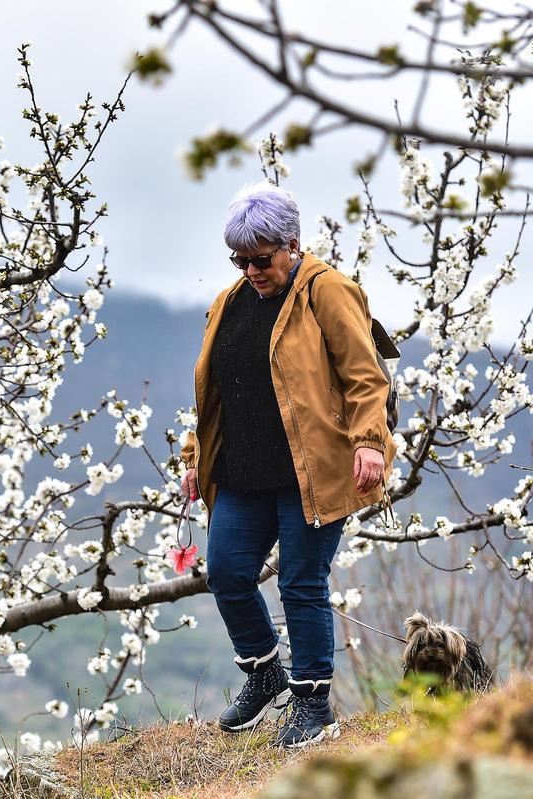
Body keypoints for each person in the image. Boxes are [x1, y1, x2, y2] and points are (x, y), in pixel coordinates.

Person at [179, 182, 395, 748]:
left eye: (261, 258)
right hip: (243, 473)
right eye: (240, 259)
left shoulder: (328, 291)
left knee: (302, 584)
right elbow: (215, 391)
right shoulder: (228, 303)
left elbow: (365, 375)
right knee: (226, 571)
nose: (251, 270)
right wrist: (195, 457)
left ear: (291, 244)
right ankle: (265, 670)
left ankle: (314, 706)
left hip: (313, 473)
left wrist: (370, 441)